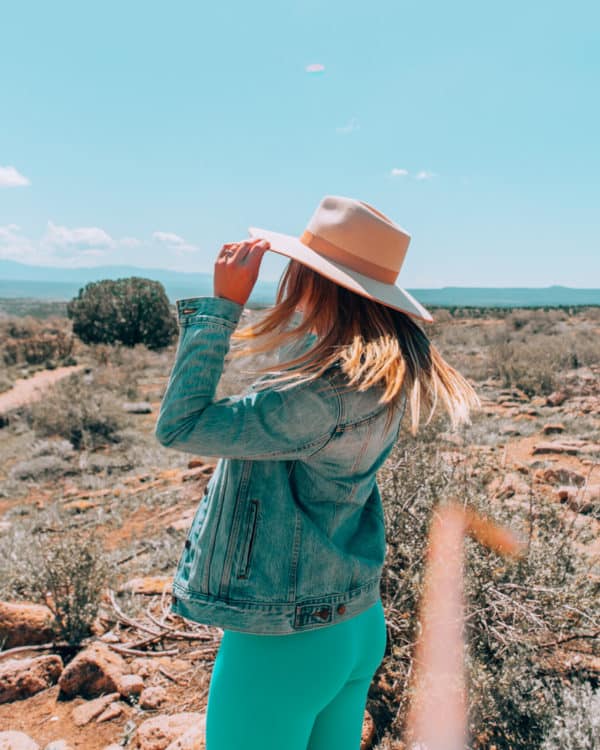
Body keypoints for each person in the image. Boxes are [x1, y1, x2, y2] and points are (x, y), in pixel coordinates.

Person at [155, 195, 480, 750]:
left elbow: (181, 425)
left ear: (314, 282)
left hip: (289, 639)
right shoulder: (383, 378)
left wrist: (221, 307)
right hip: (355, 621)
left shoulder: (318, 396)